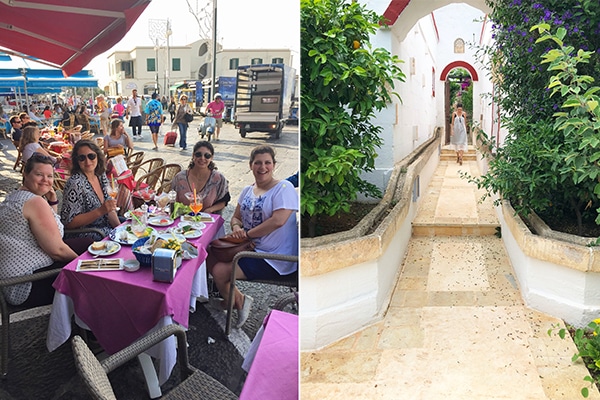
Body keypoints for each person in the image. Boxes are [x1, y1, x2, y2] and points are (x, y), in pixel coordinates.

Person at [208, 145, 298, 328]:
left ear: (274, 165)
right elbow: (236, 217)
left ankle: (233, 303)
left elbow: (278, 221)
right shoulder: (247, 191)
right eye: (258, 163)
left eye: (267, 163)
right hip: (250, 248)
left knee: (219, 271)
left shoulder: (283, 188)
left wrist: (247, 233)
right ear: (250, 165)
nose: (262, 167)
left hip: (274, 257)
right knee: (207, 254)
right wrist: (236, 227)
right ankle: (237, 299)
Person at [0, 154, 92, 307]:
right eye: (39, 174)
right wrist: (85, 266)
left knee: (88, 244)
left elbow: (52, 228)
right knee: (91, 277)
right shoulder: (34, 202)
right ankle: (86, 327)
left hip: (10, 281)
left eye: (50, 176)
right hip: (25, 284)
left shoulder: (15, 196)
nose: (45, 180)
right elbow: (57, 250)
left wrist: (52, 201)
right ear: (26, 174)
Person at [61, 140, 120, 240]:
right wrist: (100, 211)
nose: (87, 161)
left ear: (98, 156)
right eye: (82, 158)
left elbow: (110, 210)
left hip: (104, 226)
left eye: (91, 156)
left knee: (129, 226)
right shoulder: (75, 183)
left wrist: (120, 229)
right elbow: (68, 223)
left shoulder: (100, 175)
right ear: (77, 161)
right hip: (86, 233)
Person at [171, 141, 230, 214]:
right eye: (198, 154)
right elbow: (172, 201)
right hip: (183, 221)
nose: (202, 158)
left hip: (208, 221)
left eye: (207, 156)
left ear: (211, 158)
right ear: (193, 155)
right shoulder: (179, 178)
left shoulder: (218, 179)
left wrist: (210, 210)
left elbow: (224, 201)